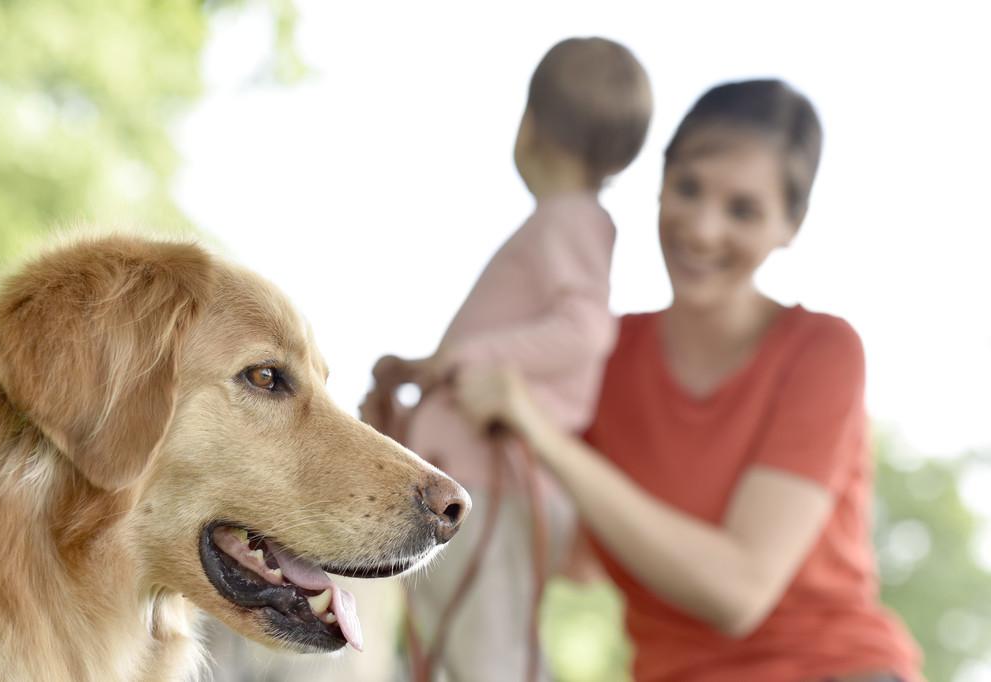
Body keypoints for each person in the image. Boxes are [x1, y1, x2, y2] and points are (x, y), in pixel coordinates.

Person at [455, 80, 922, 682]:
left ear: (791, 224)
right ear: (661, 182)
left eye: (743, 209)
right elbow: (578, 561)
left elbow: (739, 594)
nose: (702, 229)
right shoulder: (605, 353)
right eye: (689, 188)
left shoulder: (822, 352)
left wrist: (543, 435)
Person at [361, 37, 652, 681]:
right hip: (473, 481)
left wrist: (462, 361)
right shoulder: (562, 223)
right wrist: (426, 375)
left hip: (496, 487)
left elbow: (585, 329)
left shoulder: (572, 221)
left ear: (530, 126)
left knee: (488, 656)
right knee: (454, 652)